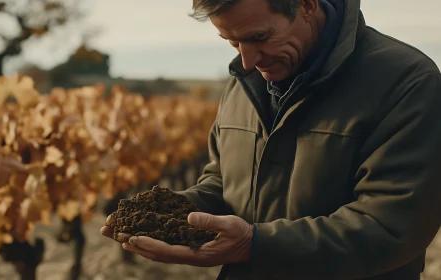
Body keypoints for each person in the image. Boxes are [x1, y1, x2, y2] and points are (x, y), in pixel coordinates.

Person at [101, 0, 441, 279]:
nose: (247, 60)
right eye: (233, 43)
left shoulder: (407, 82)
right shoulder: (242, 83)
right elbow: (222, 183)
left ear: (306, 5)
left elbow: (393, 226)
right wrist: (172, 214)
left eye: (259, 37)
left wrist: (256, 245)